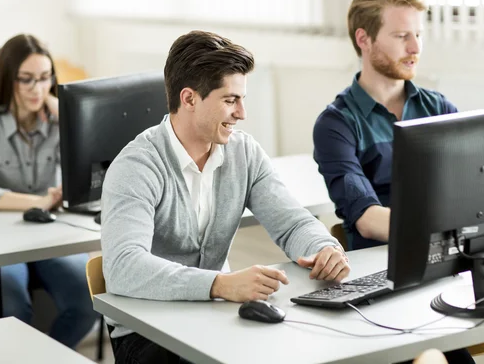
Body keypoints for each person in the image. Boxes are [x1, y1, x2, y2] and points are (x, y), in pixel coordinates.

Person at [100, 30, 350, 363]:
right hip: (146, 332)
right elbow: (124, 267)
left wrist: (323, 248)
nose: (242, 113)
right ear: (189, 99)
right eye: (230, 100)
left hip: (215, 316)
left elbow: (290, 222)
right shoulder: (137, 166)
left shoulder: (243, 152)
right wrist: (219, 284)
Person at [312, 0, 475, 364]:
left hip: (443, 271)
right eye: (402, 36)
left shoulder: (439, 108)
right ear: (364, 39)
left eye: (418, 34)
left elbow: (472, 193)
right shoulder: (336, 124)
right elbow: (367, 221)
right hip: (381, 284)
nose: (415, 48)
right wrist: (449, 231)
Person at [0, 34, 97, 348]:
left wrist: (67, 115)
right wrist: (37, 202)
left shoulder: (57, 121)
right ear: (9, 79)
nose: (37, 89)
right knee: (14, 310)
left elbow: (92, 173)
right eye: (27, 79)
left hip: (47, 241)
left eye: (45, 78)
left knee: (87, 306)